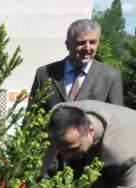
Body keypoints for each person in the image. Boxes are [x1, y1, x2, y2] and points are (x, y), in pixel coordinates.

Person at [29, 19, 123, 177]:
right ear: (68, 45)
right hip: (46, 164)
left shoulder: (110, 77)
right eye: (81, 43)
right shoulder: (45, 74)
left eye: (92, 42)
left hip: (87, 166)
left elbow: (115, 126)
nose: (87, 48)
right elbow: (31, 116)